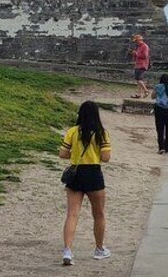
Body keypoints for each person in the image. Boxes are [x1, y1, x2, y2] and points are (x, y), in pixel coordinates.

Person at [59, 101, 113, 266]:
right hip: (94, 174)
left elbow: (62, 153)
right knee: (99, 214)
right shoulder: (101, 133)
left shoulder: (73, 131)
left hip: (76, 173)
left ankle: (68, 250)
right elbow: (106, 157)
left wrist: (75, 154)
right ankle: (99, 249)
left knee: (72, 214)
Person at [152, 73, 168, 154]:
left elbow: (152, 96)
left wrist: (159, 95)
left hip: (159, 109)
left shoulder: (157, 87)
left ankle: (161, 147)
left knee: (160, 129)